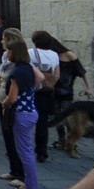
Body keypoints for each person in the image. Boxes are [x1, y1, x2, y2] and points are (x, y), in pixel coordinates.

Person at [1, 39, 40, 189]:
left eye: (9, 51)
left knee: (25, 152)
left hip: (22, 114)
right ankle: (29, 183)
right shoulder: (28, 68)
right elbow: (39, 80)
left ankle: (32, 188)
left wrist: (4, 104)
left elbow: (12, 97)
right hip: (30, 111)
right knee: (26, 151)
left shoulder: (17, 72)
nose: (7, 53)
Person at [49, 33, 93, 152]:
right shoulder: (51, 56)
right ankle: (61, 141)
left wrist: (89, 88)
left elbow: (83, 72)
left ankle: (71, 143)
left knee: (68, 119)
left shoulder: (69, 56)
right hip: (54, 93)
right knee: (57, 118)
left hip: (66, 93)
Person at [28, 30, 60, 163]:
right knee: (42, 122)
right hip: (46, 92)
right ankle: (42, 152)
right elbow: (57, 74)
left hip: (31, 91)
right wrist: (49, 84)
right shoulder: (54, 55)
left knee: (27, 121)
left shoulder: (30, 53)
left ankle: (26, 149)